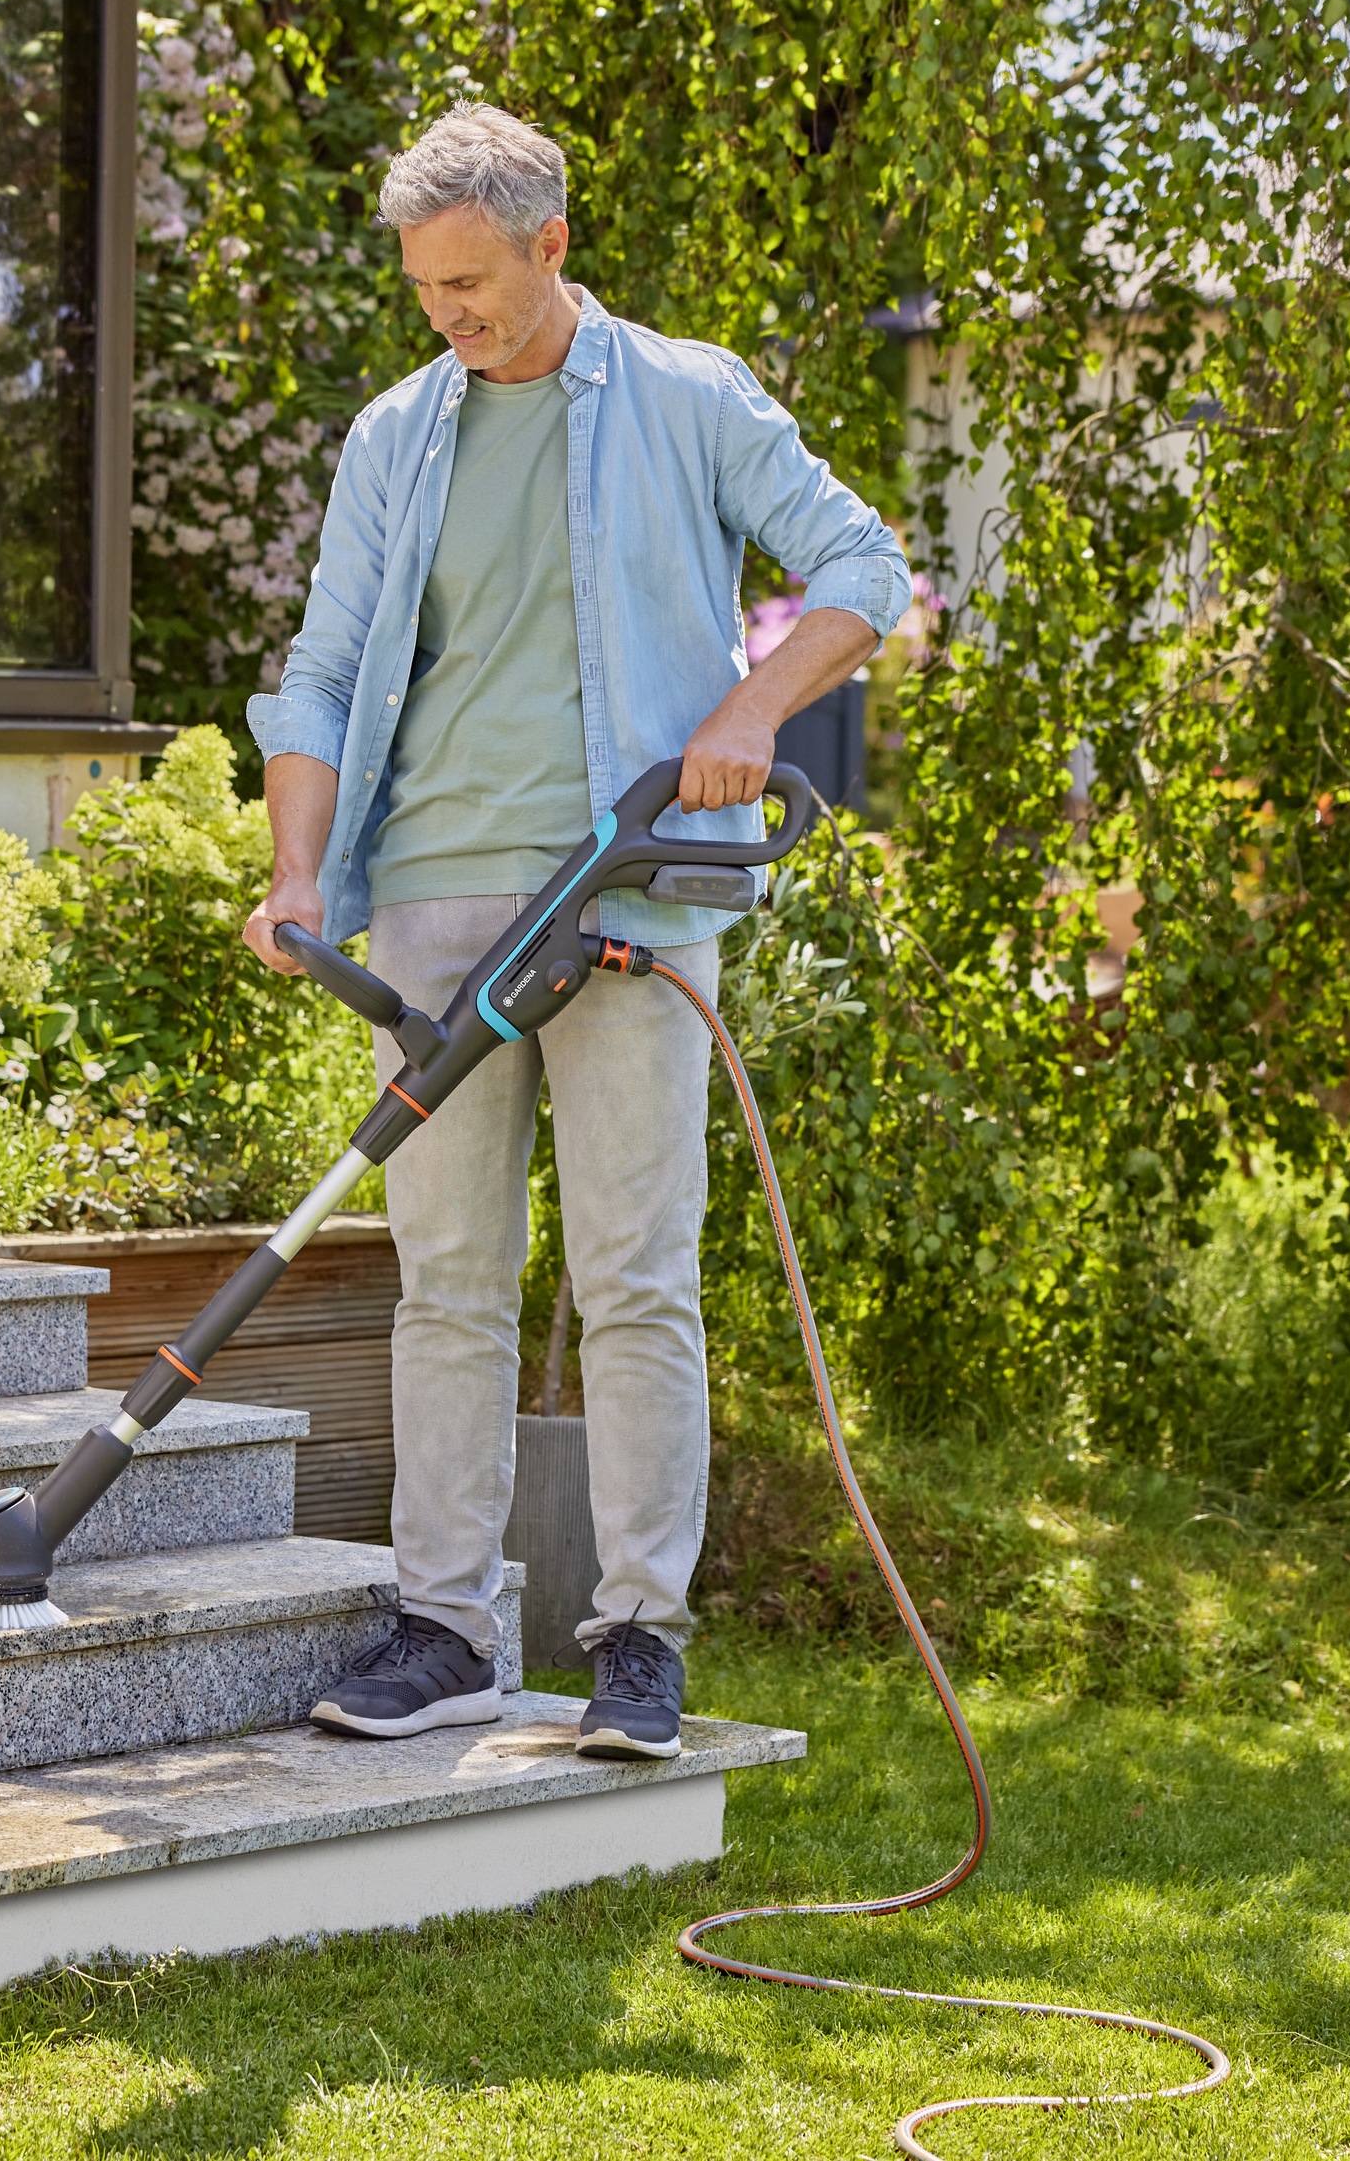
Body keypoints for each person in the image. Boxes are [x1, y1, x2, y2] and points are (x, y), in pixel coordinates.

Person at [243, 102, 912, 1760]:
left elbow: (863, 566)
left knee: (635, 1280)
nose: (449, 316)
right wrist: (299, 871)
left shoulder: (688, 398)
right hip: (438, 894)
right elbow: (324, 669)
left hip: (636, 887)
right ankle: (447, 1630)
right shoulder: (397, 433)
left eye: (471, 282)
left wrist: (754, 710)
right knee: (447, 1283)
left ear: (552, 245)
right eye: (425, 290)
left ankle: (637, 1639)